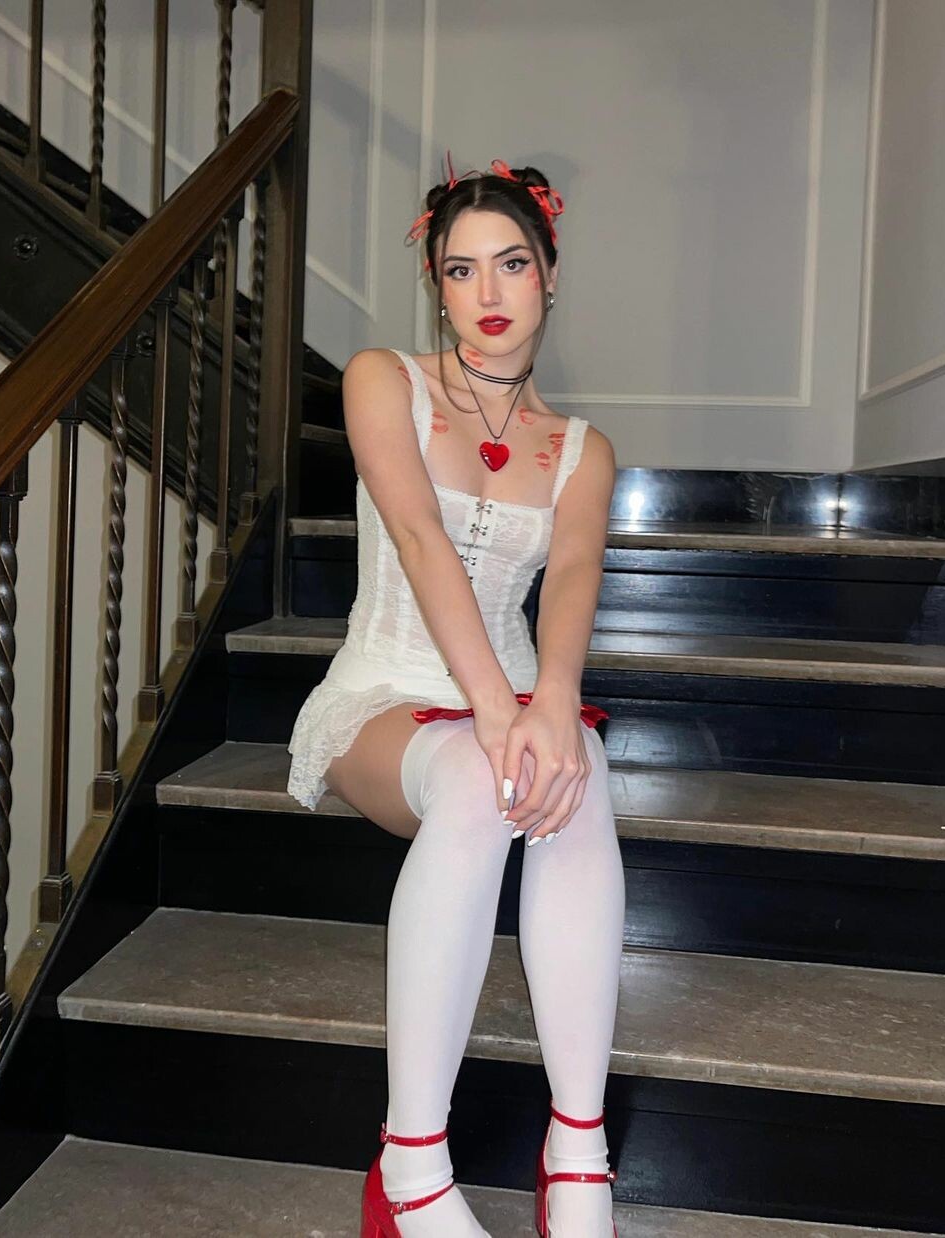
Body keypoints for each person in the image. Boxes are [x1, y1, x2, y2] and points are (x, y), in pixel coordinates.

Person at [286, 154, 626, 1237]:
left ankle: (579, 1158)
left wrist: (554, 701)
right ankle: (412, 1167)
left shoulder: (582, 451)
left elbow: (572, 575)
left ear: (549, 275)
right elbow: (420, 536)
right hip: (386, 693)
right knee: (489, 775)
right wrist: (497, 709)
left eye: (512, 264)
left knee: (579, 768)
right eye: (462, 268)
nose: (488, 293)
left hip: (513, 697)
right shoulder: (381, 378)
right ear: (435, 286)